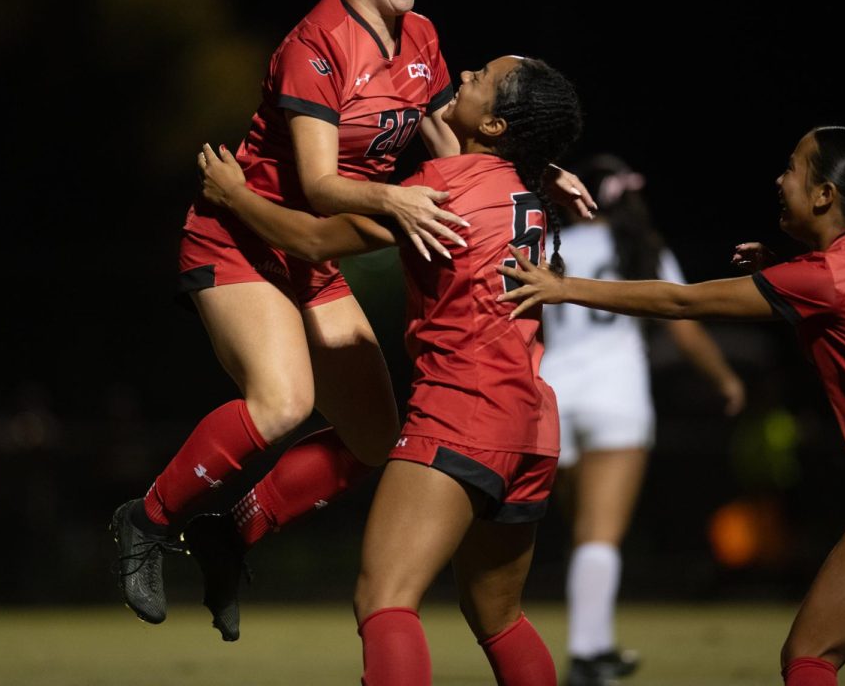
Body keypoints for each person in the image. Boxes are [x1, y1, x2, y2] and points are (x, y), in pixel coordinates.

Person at [109, 0, 593, 642]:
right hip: (243, 234)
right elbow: (321, 184)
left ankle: (230, 533)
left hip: (314, 246)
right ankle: (145, 520)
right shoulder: (316, 45)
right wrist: (398, 204)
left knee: (376, 438)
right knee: (282, 404)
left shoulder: (421, 34)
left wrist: (536, 166)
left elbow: (447, 134)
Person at [499, 127, 845, 686]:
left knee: (809, 656)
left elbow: (679, 300)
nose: (779, 177)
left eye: (792, 166)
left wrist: (564, 287)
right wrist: (786, 269)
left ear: (824, 195)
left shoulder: (826, 278)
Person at [200, 54, 582, 685]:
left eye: (481, 78)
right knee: (499, 617)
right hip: (533, 424)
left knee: (384, 601)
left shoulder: (443, 192)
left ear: (495, 126)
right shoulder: (520, 188)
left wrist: (234, 194)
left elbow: (313, 241)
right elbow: (438, 115)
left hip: (466, 412)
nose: (462, 77)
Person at [539, 155, 745, 686]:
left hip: (552, 394)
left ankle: (591, 646)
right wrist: (725, 379)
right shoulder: (641, 248)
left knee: (579, 532)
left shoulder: (545, 244)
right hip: (616, 397)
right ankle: (588, 652)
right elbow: (684, 323)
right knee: (599, 535)